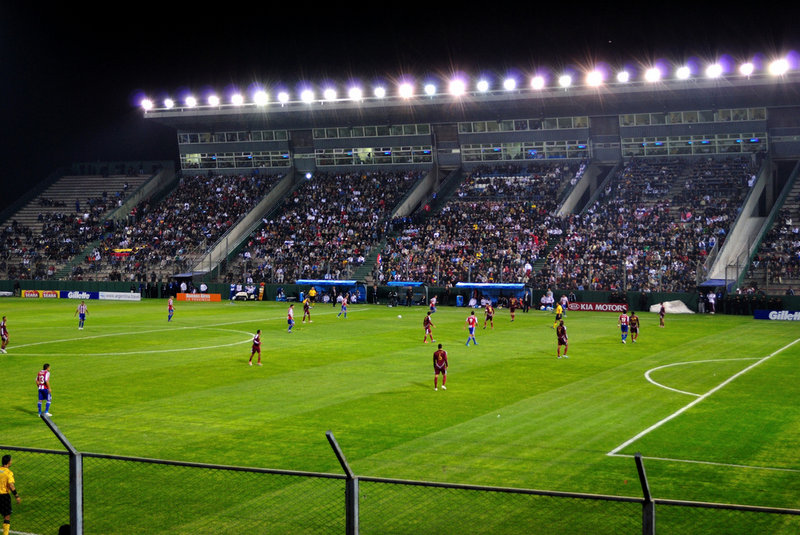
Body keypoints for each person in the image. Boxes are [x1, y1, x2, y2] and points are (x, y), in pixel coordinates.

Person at [1, 454, 21, 535]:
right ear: (9, 462)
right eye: (11, 460)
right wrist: (17, 496)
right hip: (4, 496)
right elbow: (11, 485)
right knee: (7, 516)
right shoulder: (8, 473)